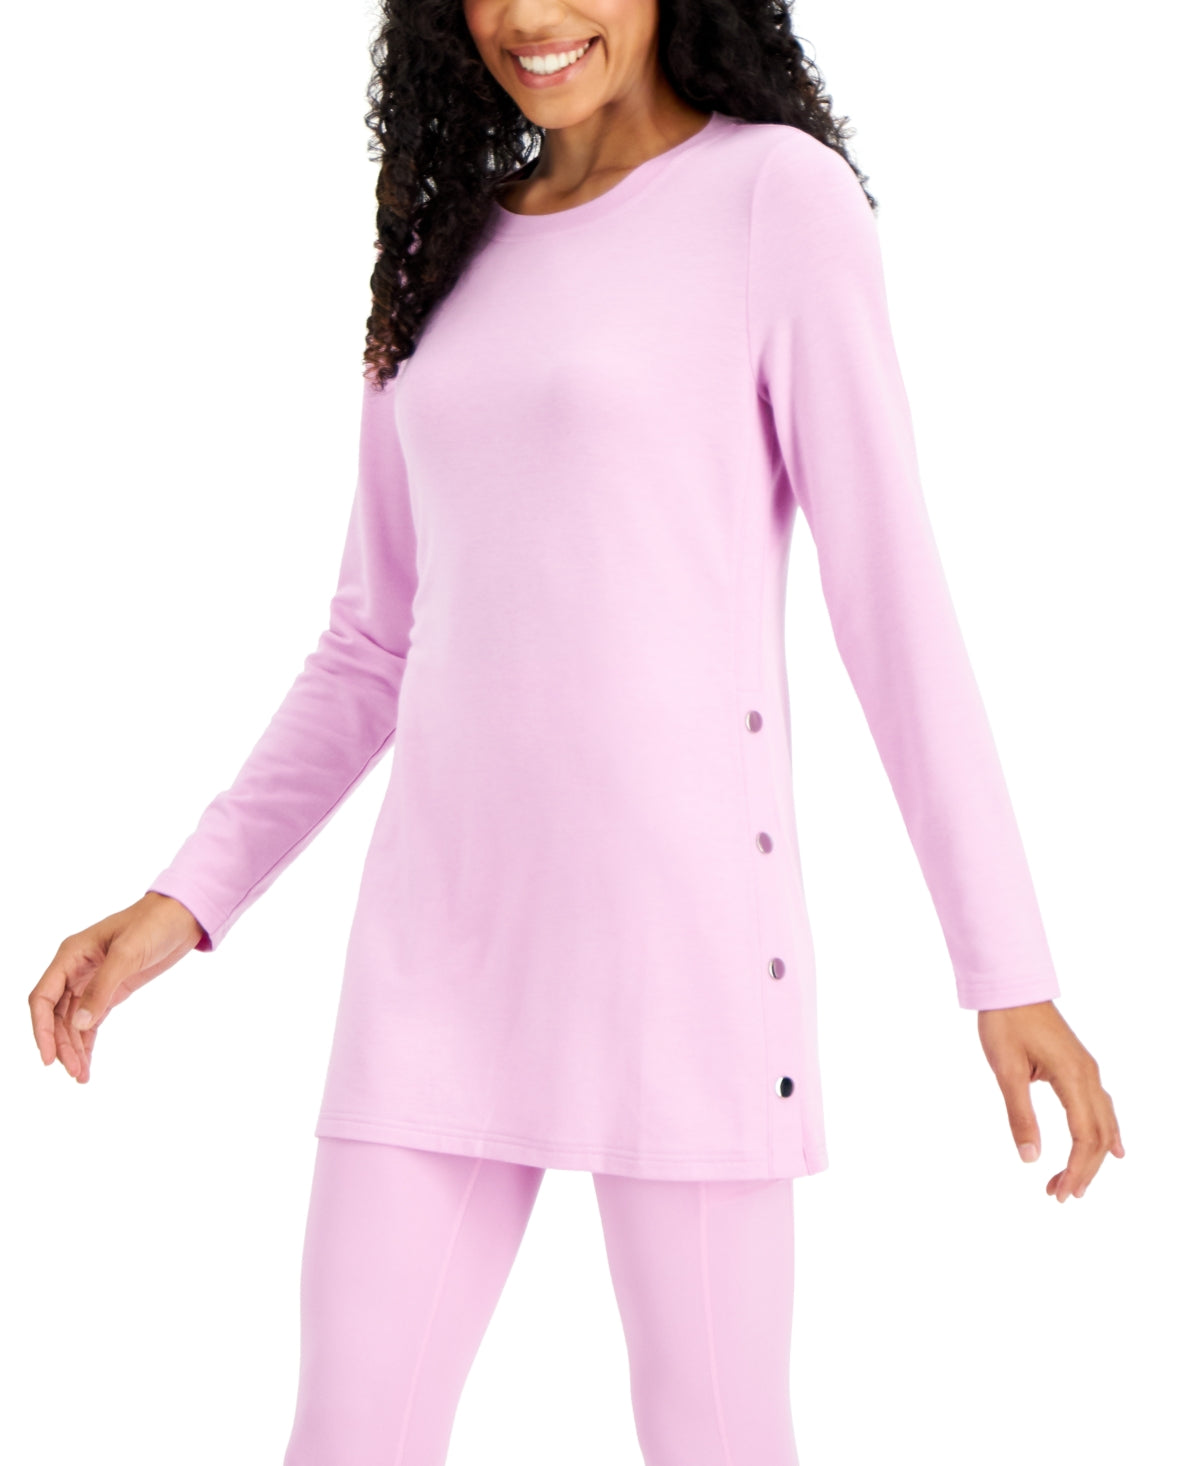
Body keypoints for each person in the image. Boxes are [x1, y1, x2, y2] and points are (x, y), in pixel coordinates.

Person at [29, 1, 1125, 1462]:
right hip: (436, 957)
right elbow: (373, 641)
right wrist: (183, 901)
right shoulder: (439, 245)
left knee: (714, 1437)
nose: (532, 16)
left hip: (684, 961)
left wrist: (1008, 970)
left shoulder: (774, 199)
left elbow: (891, 601)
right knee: (346, 1434)